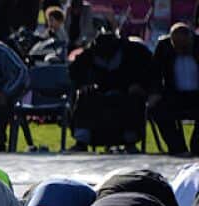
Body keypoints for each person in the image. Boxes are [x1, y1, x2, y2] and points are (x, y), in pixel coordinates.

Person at [69, 31, 153, 151]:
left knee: (133, 100)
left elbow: (148, 71)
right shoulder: (88, 55)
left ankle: (130, 141)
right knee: (85, 98)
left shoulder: (134, 52)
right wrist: (83, 85)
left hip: (126, 93)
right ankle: (82, 141)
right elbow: (75, 73)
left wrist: (139, 85)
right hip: (99, 94)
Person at [151, 22, 199, 155]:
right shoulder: (163, 46)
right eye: (177, 46)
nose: (181, 49)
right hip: (174, 94)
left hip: (197, 95)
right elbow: (155, 73)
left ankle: (196, 148)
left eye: (184, 46)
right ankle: (178, 148)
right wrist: (155, 93)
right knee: (158, 109)